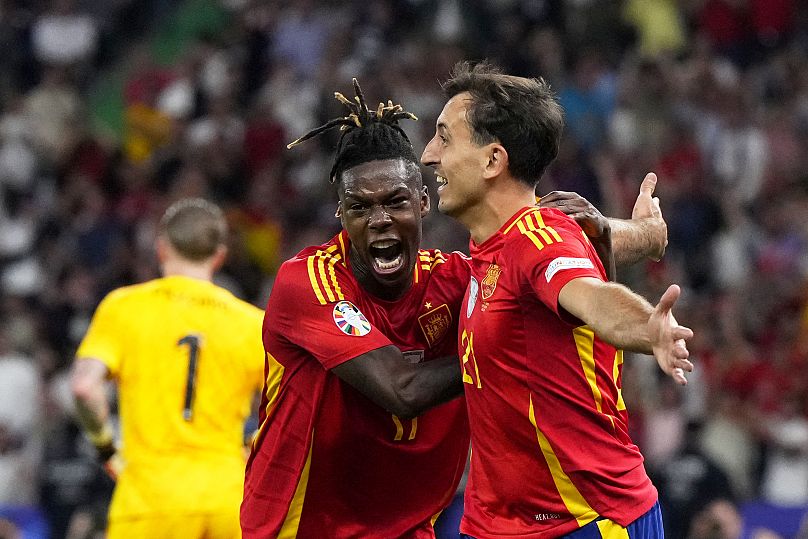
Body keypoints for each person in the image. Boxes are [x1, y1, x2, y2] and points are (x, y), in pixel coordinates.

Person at [241, 79, 676, 538]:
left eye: (395, 202)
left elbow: (565, 281)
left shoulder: (461, 278)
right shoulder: (308, 281)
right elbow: (402, 388)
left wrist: (635, 238)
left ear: (422, 203)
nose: (379, 221)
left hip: (420, 530)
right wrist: (504, 353)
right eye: (359, 208)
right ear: (340, 215)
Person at [420, 61, 693, 538]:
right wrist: (648, 234)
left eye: (444, 138)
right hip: (493, 525)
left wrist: (647, 328)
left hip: (587, 520)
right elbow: (592, 240)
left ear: (492, 160)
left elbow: (589, 296)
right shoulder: (499, 246)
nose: (428, 155)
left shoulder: (535, 237)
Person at [70, 198, 265, 539]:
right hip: (227, 499)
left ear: (161, 249)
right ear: (219, 256)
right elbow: (291, 402)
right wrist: (253, 448)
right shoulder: (251, 323)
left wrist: (105, 447)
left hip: (150, 500)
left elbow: (84, 386)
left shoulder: (125, 308)